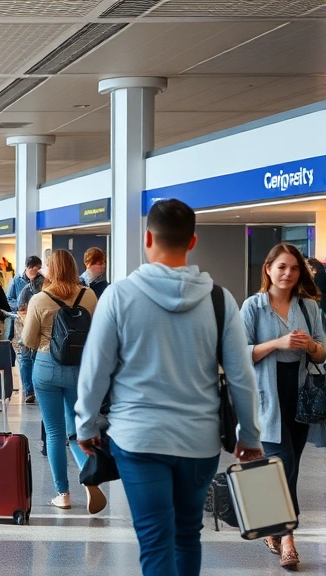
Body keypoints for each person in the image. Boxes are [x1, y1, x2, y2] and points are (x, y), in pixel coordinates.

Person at [76, 199, 263, 576]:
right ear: (192, 241)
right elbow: (242, 376)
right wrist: (250, 433)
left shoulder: (119, 295)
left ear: (148, 238)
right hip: (200, 440)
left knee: (155, 539)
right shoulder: (219, 300)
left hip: (138, 439)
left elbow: (95, 370)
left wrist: (85, 424)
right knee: (186, 535)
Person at [241, 243, 325, 570]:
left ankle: (273, 528)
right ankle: (288, 538)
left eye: (293, 268)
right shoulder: (253, 307)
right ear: (268, 269)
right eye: (282, 267)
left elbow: (321, 353)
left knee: (289, 466)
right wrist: (278, 343)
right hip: (265, 394)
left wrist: (312, 346)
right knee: (283, 463)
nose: (288, 274)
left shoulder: (308, 307)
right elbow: (239, 353)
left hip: (300, 394)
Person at [21, 249, 104, 512]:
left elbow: (29, 341)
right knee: (77, 430)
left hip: (47, 368)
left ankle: (63, 493)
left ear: (51, 269)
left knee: (55, 432)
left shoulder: (39, 299)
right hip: (79, 370)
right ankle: (88, 477)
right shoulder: (89, 295)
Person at [6, 255, 44, 404]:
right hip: (21, 325)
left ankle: (36, 388)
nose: (36, 273)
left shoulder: (43, 282)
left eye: (38, 270)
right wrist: (20, 306)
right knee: (24, 358)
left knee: (36, 358)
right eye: (34, 270)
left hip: (38, 323)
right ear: (28, 268)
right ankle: (28, 390)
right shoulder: (16, 281)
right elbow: (9, 300)